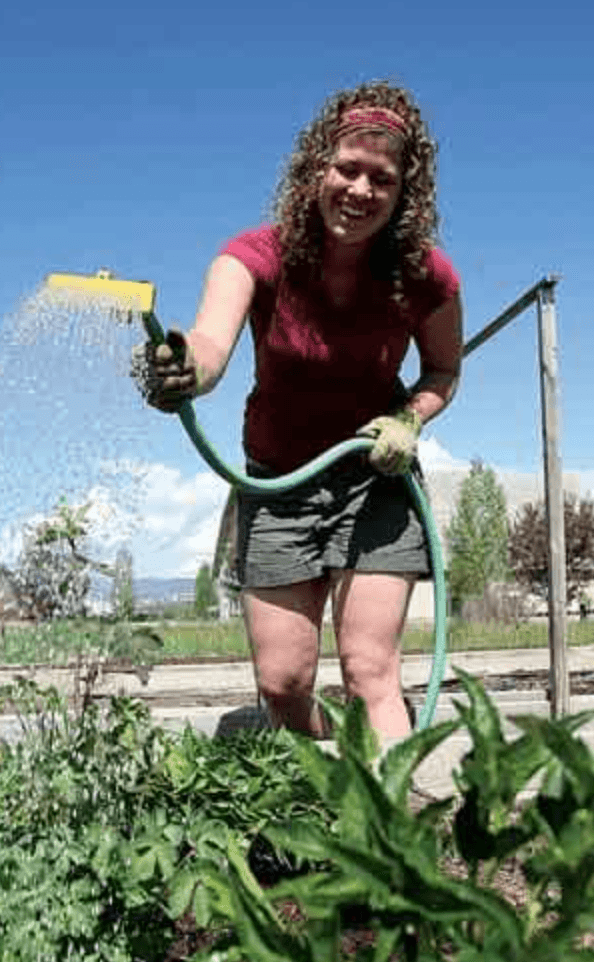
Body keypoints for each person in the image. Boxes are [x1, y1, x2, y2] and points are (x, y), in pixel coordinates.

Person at [134, 81, 462, 748]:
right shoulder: (257, 254)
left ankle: (385, 839)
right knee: (283, 684)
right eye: (348, 169)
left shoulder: (425, 276)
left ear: (405, 195)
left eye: (383, 179)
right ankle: (349, 757)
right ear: (317, 166)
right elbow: (209, 348)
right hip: (278, 484)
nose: (361, 190)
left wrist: (412, 418)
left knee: (372, 669)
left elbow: (443, 369)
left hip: (375, 479)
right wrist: (180, 371)